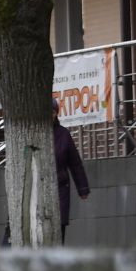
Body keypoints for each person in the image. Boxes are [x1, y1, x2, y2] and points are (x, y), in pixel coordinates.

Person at [52, 98, 92, 242]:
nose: (50, 115)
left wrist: (83, 188)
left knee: (59, 229)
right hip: (40, 188)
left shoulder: (63, 134)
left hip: (60, 187)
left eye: (52, 112)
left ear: (56, 114)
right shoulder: (35, 133)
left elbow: (75, 163)